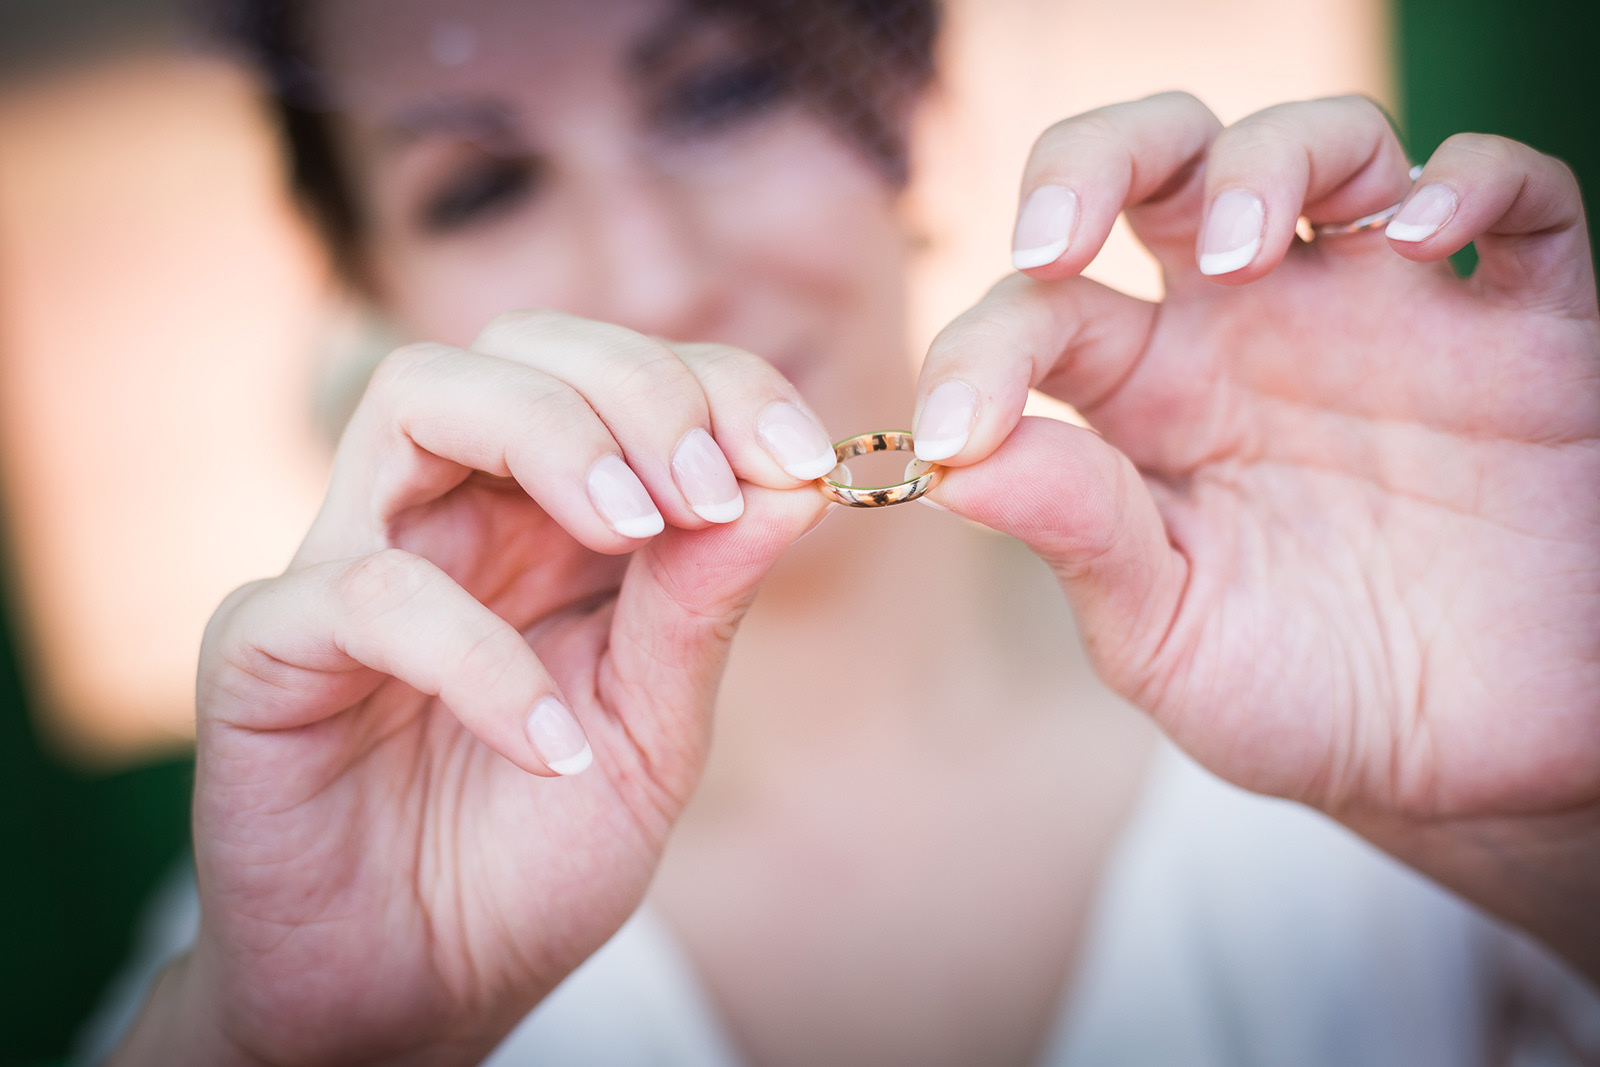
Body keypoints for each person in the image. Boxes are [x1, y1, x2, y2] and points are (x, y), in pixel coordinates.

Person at [100, 0, 1600, 1063]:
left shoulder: (1388, 699)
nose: (657, 277)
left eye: (720, 92)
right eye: (482, 186)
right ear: (376, 291)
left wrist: (1558, 833)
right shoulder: (328, 904)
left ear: (908, 100)